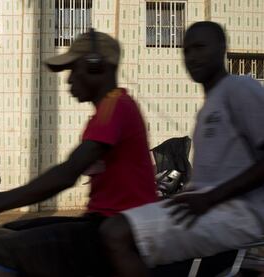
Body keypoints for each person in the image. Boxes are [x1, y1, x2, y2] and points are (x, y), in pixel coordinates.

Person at [0, 29, 157, 276]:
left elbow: (68, 173)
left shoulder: (115, 107)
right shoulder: (106, 112)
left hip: (115, 228)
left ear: (96, 67)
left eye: (74, 70)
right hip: (99, 221)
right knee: (6, 231)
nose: (69, 81)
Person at [99, 21, 264, 277]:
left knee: (116, 232)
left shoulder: (240, 88)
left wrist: (209, 198)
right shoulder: (208, 108)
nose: (192, 57)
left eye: (200, 47)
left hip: (240, 214)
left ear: (222, 48)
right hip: (213, 208)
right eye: (186, 50)